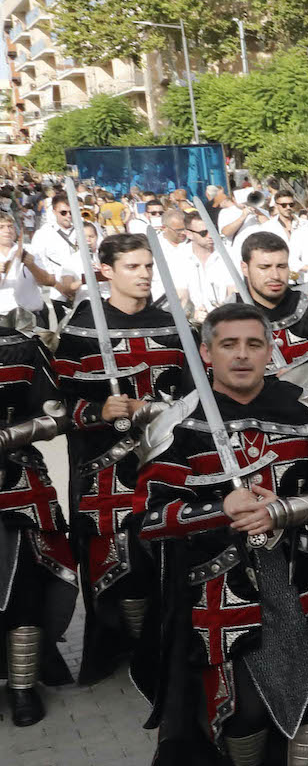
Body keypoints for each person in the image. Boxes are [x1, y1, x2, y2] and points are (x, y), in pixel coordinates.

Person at [126, 304, 308, 766]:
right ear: (206, 352)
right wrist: (218, 508)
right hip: (221, 581)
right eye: (229, 344)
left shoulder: (305, 412)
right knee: (244, 706)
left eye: (254, 344)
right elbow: (147, 519)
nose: (243, 355)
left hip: (304, 574)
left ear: (270, 349)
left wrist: (290, 508)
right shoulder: (179, 424)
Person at [53, 233, 187, 681]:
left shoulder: (172, 324)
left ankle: (164, 647)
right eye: (133, 267)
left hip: (164, 460)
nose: (145, 274)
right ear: (106, 271)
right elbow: (55, 403)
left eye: (148, 266)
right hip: (105, 466)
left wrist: (154, 408)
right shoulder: (82, 327)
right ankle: (128, 650)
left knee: (166, 553)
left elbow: (192, 397)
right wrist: (96, 410)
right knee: (115, 557)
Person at [0, 310, 76, 726]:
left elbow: (58, 415)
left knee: (25, 584)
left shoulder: (20, 346)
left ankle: (23, 685)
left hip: (17, 482)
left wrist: (8, 436)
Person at [240, 231, 308, 370]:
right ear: (245, 268)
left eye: (281, 266)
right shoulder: (226, 320)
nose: (275, 275)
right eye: (264, 267)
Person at [27, 192, 84, 303]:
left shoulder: (85, 229)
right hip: (57, 293)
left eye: (72, 212)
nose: (69, 216)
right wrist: (60, 287)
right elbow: (39, 265)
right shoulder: (43, 234)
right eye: (63, 212)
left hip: (85, 291)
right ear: (54, 212)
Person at [0, 213, 53, 316]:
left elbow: (49, 281)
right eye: (1, 227)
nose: (7, 230)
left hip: (30, 318)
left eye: (10, 226)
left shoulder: (30, 250)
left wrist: (32, 266)